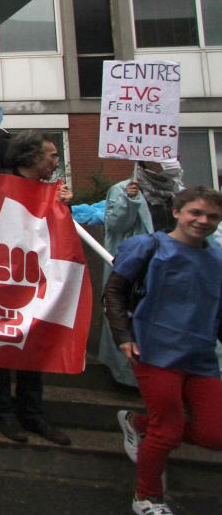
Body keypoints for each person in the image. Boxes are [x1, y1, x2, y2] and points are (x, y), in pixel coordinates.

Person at [106, 186, 222, 515]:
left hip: (201, 354)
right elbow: (114, 291)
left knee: (213, 434)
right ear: (177, 212)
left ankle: (137, 423)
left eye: (212, 217)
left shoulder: (217, 257)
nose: (203, 221)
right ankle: (147, 496)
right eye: (196, 213)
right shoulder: (149, 247)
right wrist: (124, 335)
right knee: (167, 430)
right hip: (153, 349)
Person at [0, 131, 73, 445]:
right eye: (51, 154)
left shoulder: (51, 192)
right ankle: (2, 412)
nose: (56, 160)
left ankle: (33, 414)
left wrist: (64, 208)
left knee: (33, 348)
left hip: (33, 280)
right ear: (31, 156)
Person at [99, 160, 184, 387]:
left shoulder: (179, 192)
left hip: (173, 263)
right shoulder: (122, 189)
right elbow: (115, 225)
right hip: (137, 265)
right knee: (129, 315)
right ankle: (129, 377)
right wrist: (130, 200)